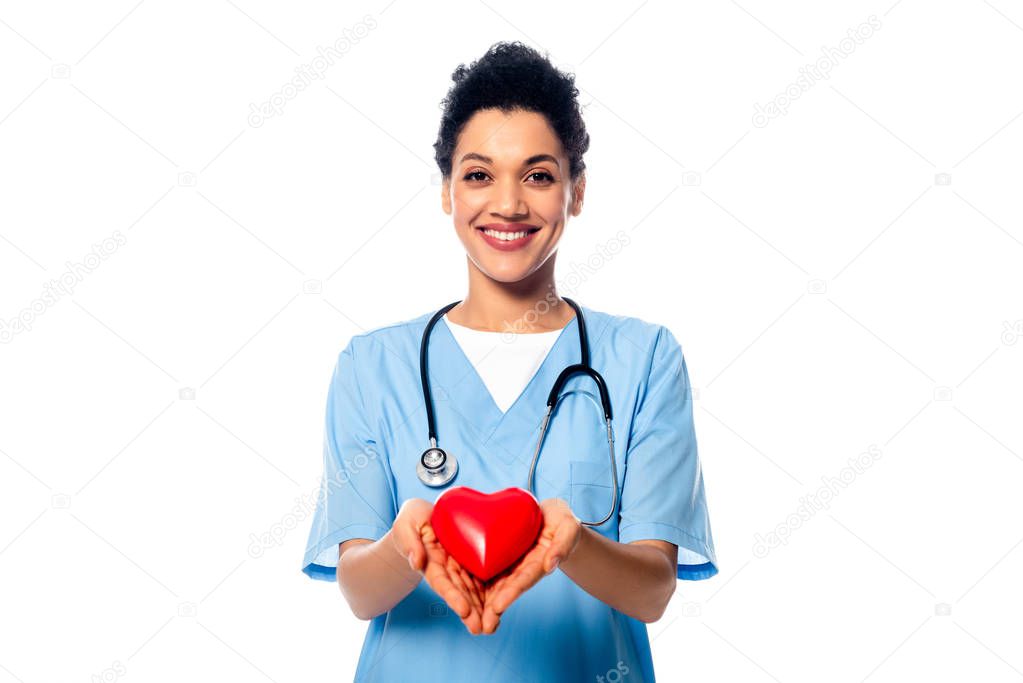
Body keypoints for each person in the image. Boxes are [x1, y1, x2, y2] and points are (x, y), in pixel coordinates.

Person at [301, 40, 718, 682]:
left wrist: (571, 543)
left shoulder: (644, 360)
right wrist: (406, 543)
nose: (509, 204)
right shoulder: (371, 366)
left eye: (538, 174)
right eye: (478, 174)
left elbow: (653, 590)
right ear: (446, 193)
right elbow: (359, 592)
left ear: (575, 193)